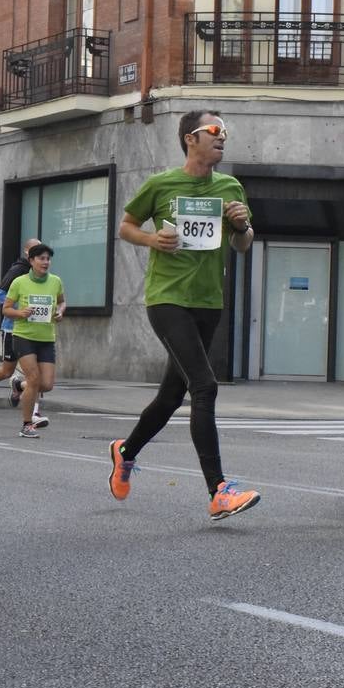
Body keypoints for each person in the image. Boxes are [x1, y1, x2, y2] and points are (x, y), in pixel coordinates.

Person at [107, 110, 261, 521]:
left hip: (208, 302)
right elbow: (125, 226)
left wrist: (243, 226)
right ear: (190, 138)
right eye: (214, 131)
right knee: (204, 386)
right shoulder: (161, 185)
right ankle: (219, 490)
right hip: (167, 299)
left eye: (225, 131)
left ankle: (126, 451)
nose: (222, 137)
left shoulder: (230, 187)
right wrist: (152, 238)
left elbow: (244, 244)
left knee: (172, 396)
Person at [1, 244, 65, 439]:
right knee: (35, 379)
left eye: (48, 259)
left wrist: (60, 311)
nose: (45, 262)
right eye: (41, 258)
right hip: (23, 336)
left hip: (46, 338)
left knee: (46, 384)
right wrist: (20, 313)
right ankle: (27, 424)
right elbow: (6, 309)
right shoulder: (19, 282)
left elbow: (62, 301)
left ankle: (19, 385)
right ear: (31, 261)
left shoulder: (55, 281)